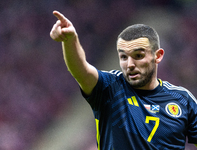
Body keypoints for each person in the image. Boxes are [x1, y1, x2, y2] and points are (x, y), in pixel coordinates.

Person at [50, 10, 197, 150]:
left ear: (157, 56)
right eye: (124, 57)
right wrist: (70, 41)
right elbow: (81, 70)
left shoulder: (183, 100)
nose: (130, 65)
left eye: (138, 56)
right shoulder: (111, 88)